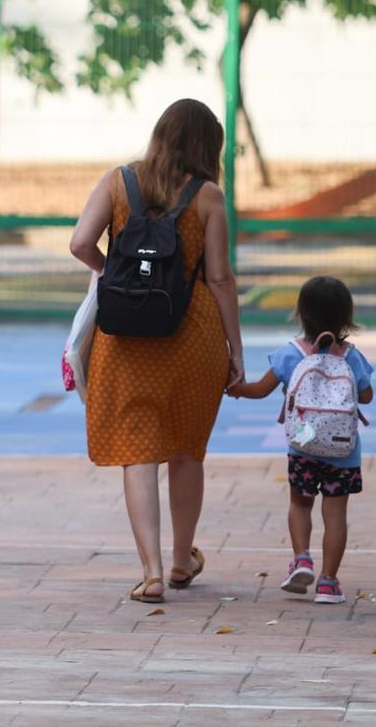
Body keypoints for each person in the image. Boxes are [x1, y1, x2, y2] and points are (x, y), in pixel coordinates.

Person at [69, 98, 244, 604]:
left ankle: (148, 571)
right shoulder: (208, 196)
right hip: (193, 338)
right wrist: (236, 348)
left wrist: (116, 275)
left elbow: (81, 243)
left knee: (137, 451)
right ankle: (181, 560)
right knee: (187, 449)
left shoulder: (118, 181)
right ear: (208, 146)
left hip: (126, 337)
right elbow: (219, 277)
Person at [228, 277, 374, 604]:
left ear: (301, 313)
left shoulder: (289, 354)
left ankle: (302, 559)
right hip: (343, 451)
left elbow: (258, 390)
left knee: (299, 503)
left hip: (303, 447)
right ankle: (328, 582)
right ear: (345, 316)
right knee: (335, 516)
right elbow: (366, 396)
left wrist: (235, 388)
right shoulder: (351, 355)